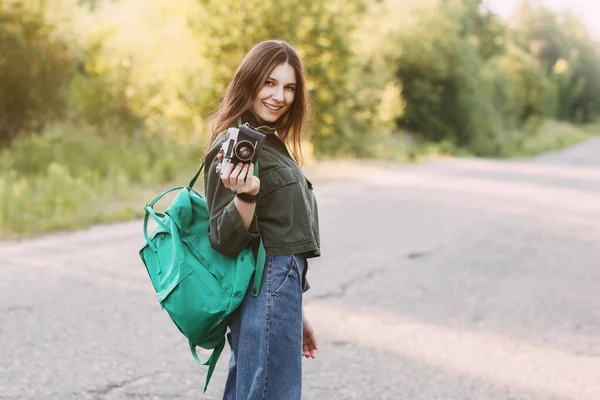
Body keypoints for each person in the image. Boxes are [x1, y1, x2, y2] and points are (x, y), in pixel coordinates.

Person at [203, 40, 321, 400]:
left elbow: (278, 233)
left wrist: (293, 311)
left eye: (289, 87)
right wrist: (246, 195)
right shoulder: (235, 143)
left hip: (274, 289)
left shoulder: (268, 143)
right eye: (269, 83)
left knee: (254, 390)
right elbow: (223, 237)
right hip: (265, 285)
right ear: (250, 82)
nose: (279, 96)